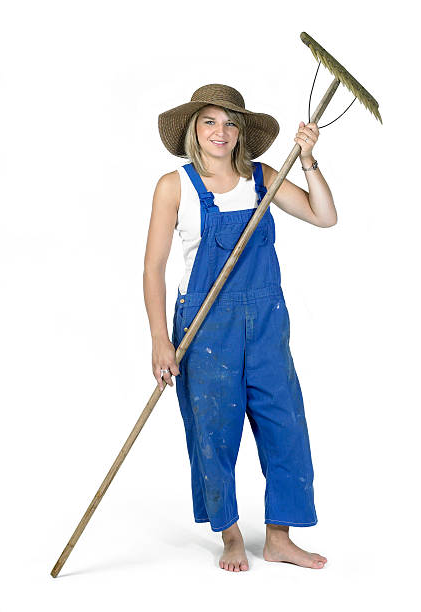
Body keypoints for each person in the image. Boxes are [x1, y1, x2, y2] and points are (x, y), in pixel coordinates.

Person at [143, 83, 336, 572]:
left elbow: (324, 215)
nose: (220, 131)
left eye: (230, 122)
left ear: (241, 132)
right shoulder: (175, 186)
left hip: (267, 324)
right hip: (206, 329)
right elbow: (153, 267)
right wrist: (160, 341)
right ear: (193, 129)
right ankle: (229, 535)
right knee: (214, 430)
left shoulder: (264, 178)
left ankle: (278, 538)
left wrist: (309, 159)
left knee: (285, 425)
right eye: (209, 121)